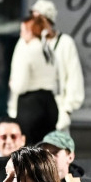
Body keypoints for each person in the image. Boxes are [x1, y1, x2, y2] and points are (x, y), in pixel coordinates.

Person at [29, 0, 85, 132]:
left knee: (55, 150)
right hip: (32, 111)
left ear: (47, 20)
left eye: (38, 19)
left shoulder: (65, 43)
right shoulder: (28, 42)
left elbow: (74, 78)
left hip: (57, 112)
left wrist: (67, 110)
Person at [8, 14, 58, 145]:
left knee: (29, 152)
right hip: (49, 103)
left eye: (22, 31)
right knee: (46, 151)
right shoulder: (48, 49)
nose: (21, 35)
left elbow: (20, 85)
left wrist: (13, 84)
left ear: (30, 31)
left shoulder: (27, 49)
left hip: (31, 106)